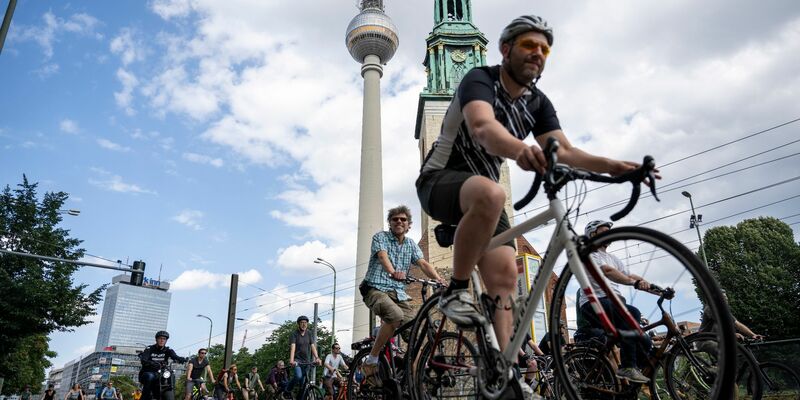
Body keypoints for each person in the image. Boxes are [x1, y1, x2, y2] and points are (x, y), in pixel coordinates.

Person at [416, 14, 646, 395]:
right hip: (441, 180)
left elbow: (567, 151)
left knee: (505, 278)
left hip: (484, 197)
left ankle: (505, 375)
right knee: (493, 193)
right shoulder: (479, 79)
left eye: (544, 49)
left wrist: (620, 168)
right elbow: (483, 128)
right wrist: (522, 149)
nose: (537, 54)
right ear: (505, 49)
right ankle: (456, 290)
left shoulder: (537, 102)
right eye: (528, 45)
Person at [359, 205, 445, 384]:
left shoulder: (410, 244)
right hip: (375, 289)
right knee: (395, 316)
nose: (399, 222)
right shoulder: (380, 237)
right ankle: (371, 360)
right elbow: (383, 257)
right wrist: (392, 272)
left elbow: (423, 264)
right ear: (389, 223)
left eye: (403, 220)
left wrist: (439, 280)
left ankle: (412, 378)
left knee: (415, 331)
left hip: (398, 294)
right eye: (395, 219)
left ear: (409, 225)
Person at [576, 220, 654, 383]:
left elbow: (630, 275)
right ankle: (627, 367)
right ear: (592, 234)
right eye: (603, 231)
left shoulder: (612, 258)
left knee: (644, 340)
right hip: (595, 302)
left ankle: (631, 376)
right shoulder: (589, 254)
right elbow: (608, 271)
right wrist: (634, 283)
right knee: (633, 313)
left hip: (614, 303)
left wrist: (653, 288)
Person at [139, 331, 187, 400]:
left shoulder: (168, 350)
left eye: (164, 339)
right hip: (148, 372)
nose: (162, 340)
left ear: (166, 341)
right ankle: (144, 397)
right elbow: (144, 359)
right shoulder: (149, 349)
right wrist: (151, 363)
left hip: (162, 373)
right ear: (156, 339)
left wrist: (181, 359)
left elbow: (174, 356)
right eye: (160, 338)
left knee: (171, 375)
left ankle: (171, 391)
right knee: (150, 377)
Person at [287, 315, 321, 395]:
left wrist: (317, 358)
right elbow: (293, 347)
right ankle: (287, 390)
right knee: (298, 376)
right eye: (302, 323)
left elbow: (312, 346)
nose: (304, 324)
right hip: (297, 361)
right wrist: (291, 360)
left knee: (303, 384)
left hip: (306, 362)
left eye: (305, 323)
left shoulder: (309, 333)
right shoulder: (294, 334)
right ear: (298, 324)